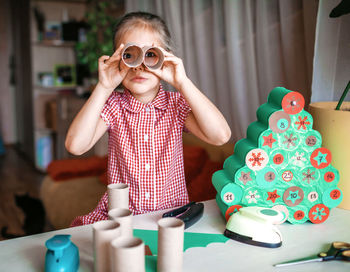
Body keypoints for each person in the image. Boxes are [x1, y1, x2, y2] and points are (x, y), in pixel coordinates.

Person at [66, 11, 231, 226]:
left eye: (150, 55)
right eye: (130, 55)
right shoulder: (114, 106)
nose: (140, 66)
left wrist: (182, 82)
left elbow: (220, 136)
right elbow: (76, 145)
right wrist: (104, 87)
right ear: (117, 58)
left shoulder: (176, 104)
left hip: (170, 216)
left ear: (166, 58)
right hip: (122, 218)